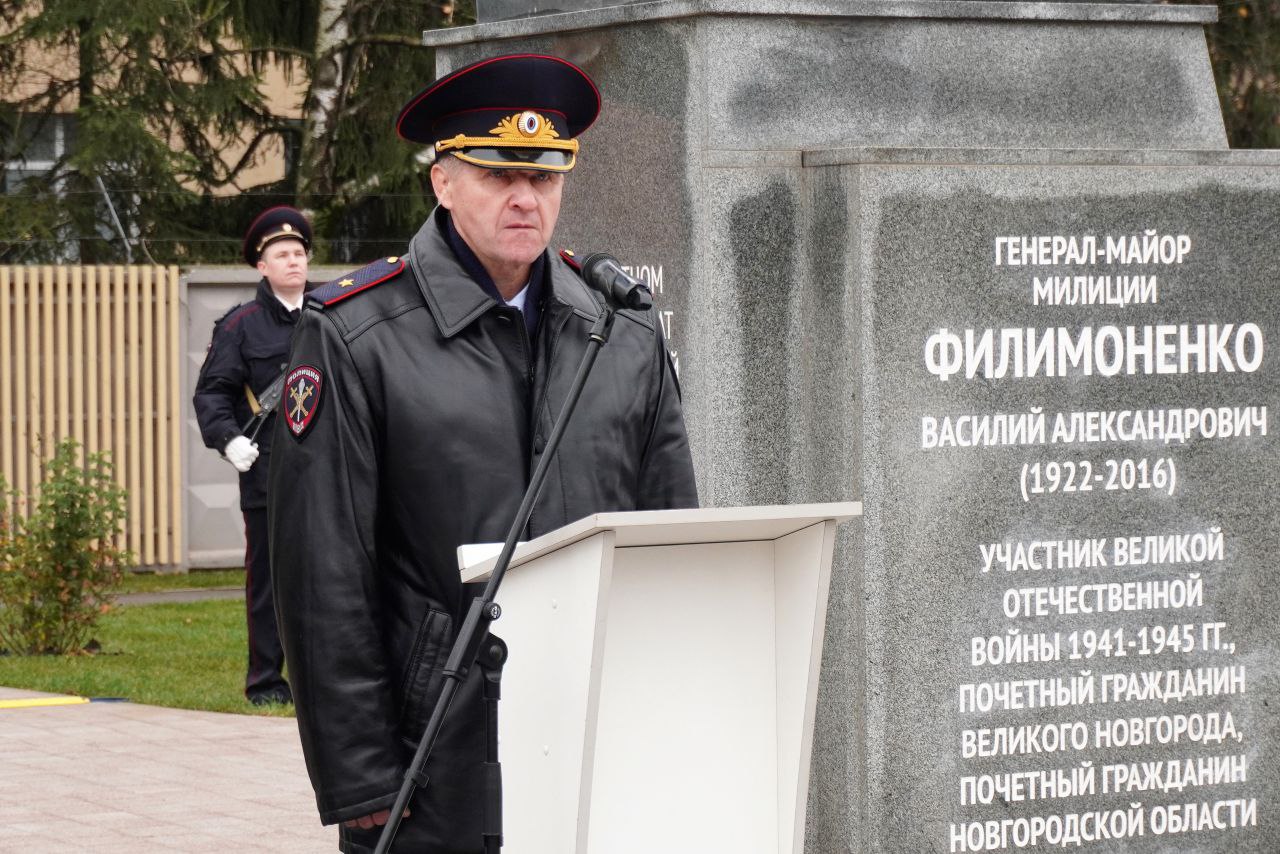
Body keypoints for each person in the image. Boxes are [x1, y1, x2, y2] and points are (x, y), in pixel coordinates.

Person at [268, 54, 697, 853]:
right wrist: (358, 773)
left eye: (545, 177)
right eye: (499, 174)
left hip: (596, 734)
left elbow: (670, 536)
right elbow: (324, 573)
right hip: (437, 749)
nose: (526, 199)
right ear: (443, 181)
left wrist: (672, 721)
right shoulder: (357, 336)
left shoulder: (621, 328)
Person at [193, 205, 312, 706]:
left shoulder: (332, 315)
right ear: (261, 266)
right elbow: (213, 394)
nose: (293, 261)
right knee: (268, 582)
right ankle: (266, 681)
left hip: (330, 468)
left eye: (299, 252)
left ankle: (325, 680)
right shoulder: (239, 326)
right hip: (267, 471)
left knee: (336, 579)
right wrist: (228, 440)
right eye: (281, 254)